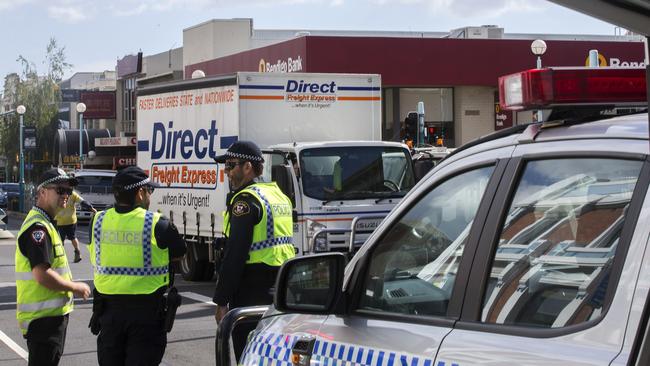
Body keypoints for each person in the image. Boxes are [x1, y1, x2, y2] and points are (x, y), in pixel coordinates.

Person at [88, 166, 187, 366]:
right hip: (146, 314)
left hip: (108, 312)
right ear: (140, 193)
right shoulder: (157, 223)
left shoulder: (98, 221)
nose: (150, 195)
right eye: (149, 190)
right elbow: (180, 251)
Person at [213, 140, 295, 359]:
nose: (227, 172)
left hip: (250, 291)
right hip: (280, 289)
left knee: (248, 355)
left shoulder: (246, 201)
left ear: (247, 167)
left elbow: (235, 255)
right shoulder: (279, 196)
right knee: (274, 356)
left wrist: (221, 301)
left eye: (231, 165)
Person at [15, 168, 91, 366]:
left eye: (68, 191)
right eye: (60, 190)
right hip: (43, 321)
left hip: (48, 319)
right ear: (42, 192)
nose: (66, 195)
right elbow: (42, 274)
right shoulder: (38, 228)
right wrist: (75, 287)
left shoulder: (46, 223)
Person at [54, 184, 96, 263]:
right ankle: (77, 252)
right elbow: (83, 202)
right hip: (71, 220)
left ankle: (60, 256)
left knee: (60, 239)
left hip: (59, 221)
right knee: (73, 237)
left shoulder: (57, 193)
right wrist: (92, 208)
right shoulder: (73, 194)